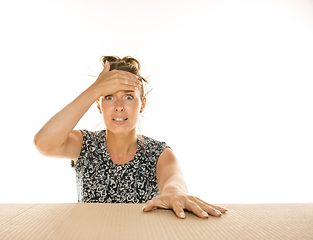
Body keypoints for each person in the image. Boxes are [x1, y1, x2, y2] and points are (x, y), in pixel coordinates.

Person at [33, 56, 227, 219]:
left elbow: (173, 181)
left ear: (141, 104)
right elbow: (43, 142)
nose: (119, 106)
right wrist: (94, 89)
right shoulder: (85, 144)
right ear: (98, 104)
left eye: (128, 96)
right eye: (108, 96)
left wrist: (175, 193)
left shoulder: (159, 153)